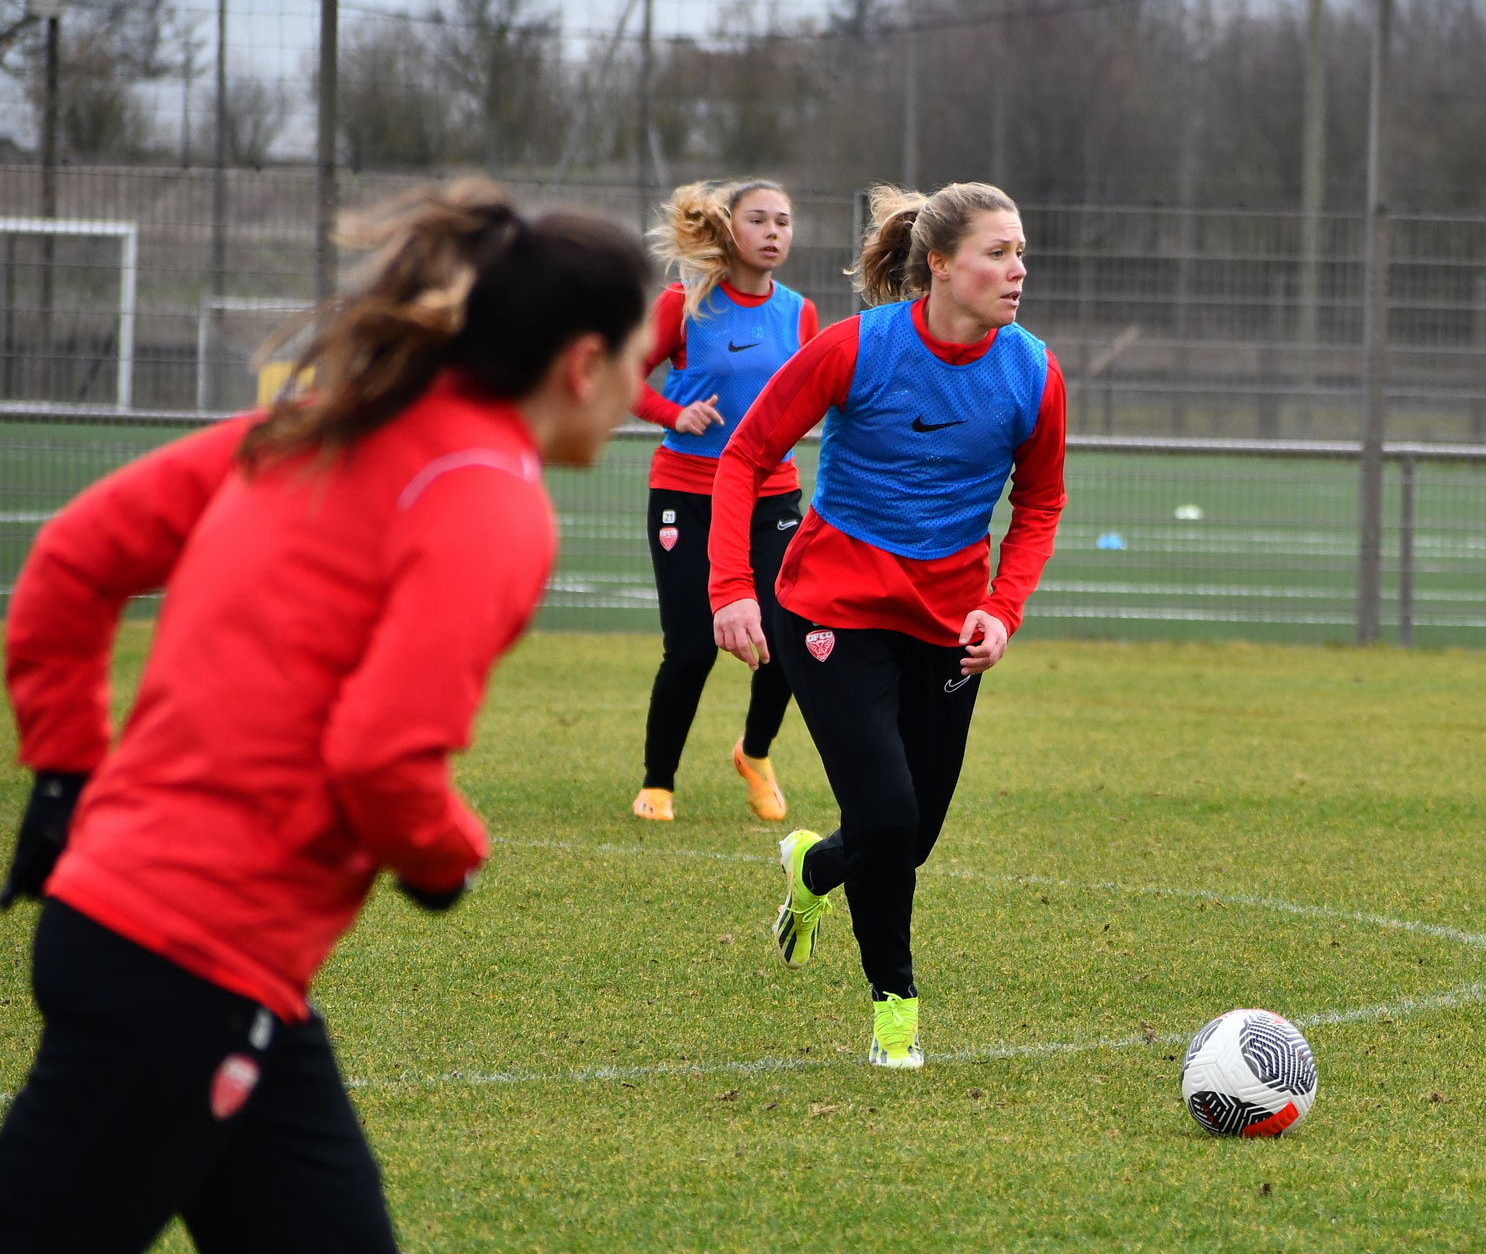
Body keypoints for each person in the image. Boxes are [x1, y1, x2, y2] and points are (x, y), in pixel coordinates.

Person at [0, 179, 652, 1253]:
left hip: (173, 952)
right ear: (583, 364)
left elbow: (72, 558)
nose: (641, 390)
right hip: (185, 967)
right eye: (640, 361)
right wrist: (449, 857)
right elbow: (382, 755)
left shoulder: (327, 422)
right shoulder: (492, 496)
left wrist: (67, 773)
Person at [709, 182, 1067, 1070]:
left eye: (1021, 253)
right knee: (888, 813)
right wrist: (731, 589)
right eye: (997, 253)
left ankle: (814, 869)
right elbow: (747, 454)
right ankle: (895, 1009)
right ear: (939, 265)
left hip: (947, 624)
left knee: (910, 836)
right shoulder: (855, 348)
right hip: (829, 609)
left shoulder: (1033, 372)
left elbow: (1040, 503)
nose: (1017, 270)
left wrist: (1001, 609)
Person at [628, 179, 819, 825]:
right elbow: (624, 378)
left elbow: (810, 396)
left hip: (771, 496)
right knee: (690, 648)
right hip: (686, 491)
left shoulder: (800, 313)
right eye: (758, 219)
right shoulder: (683, 304)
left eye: (783, 221)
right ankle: (658, 782)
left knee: (787, 637)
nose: (774, 231)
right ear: (727, 228)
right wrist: (674, 414)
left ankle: (755, 753)